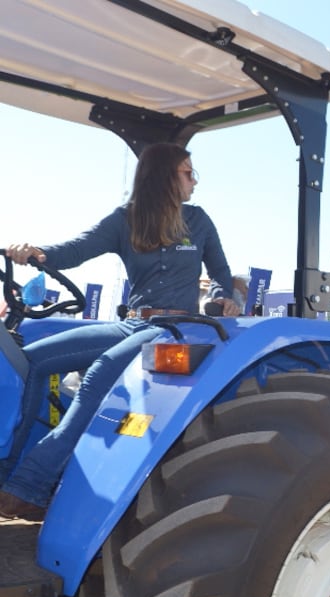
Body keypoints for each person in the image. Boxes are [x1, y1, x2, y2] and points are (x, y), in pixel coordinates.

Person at [0, 143, 240, 521]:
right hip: (132, 322)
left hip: (175, 328)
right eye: (187, 172)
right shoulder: (126, 220)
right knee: (26, 361)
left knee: (99, 373)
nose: (194, 181)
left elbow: (222, 277)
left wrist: (225, 298)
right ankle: (9, 475)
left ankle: (30, 486)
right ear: (164, 177)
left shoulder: (199, 221)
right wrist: (36, 253)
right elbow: (76, 250)